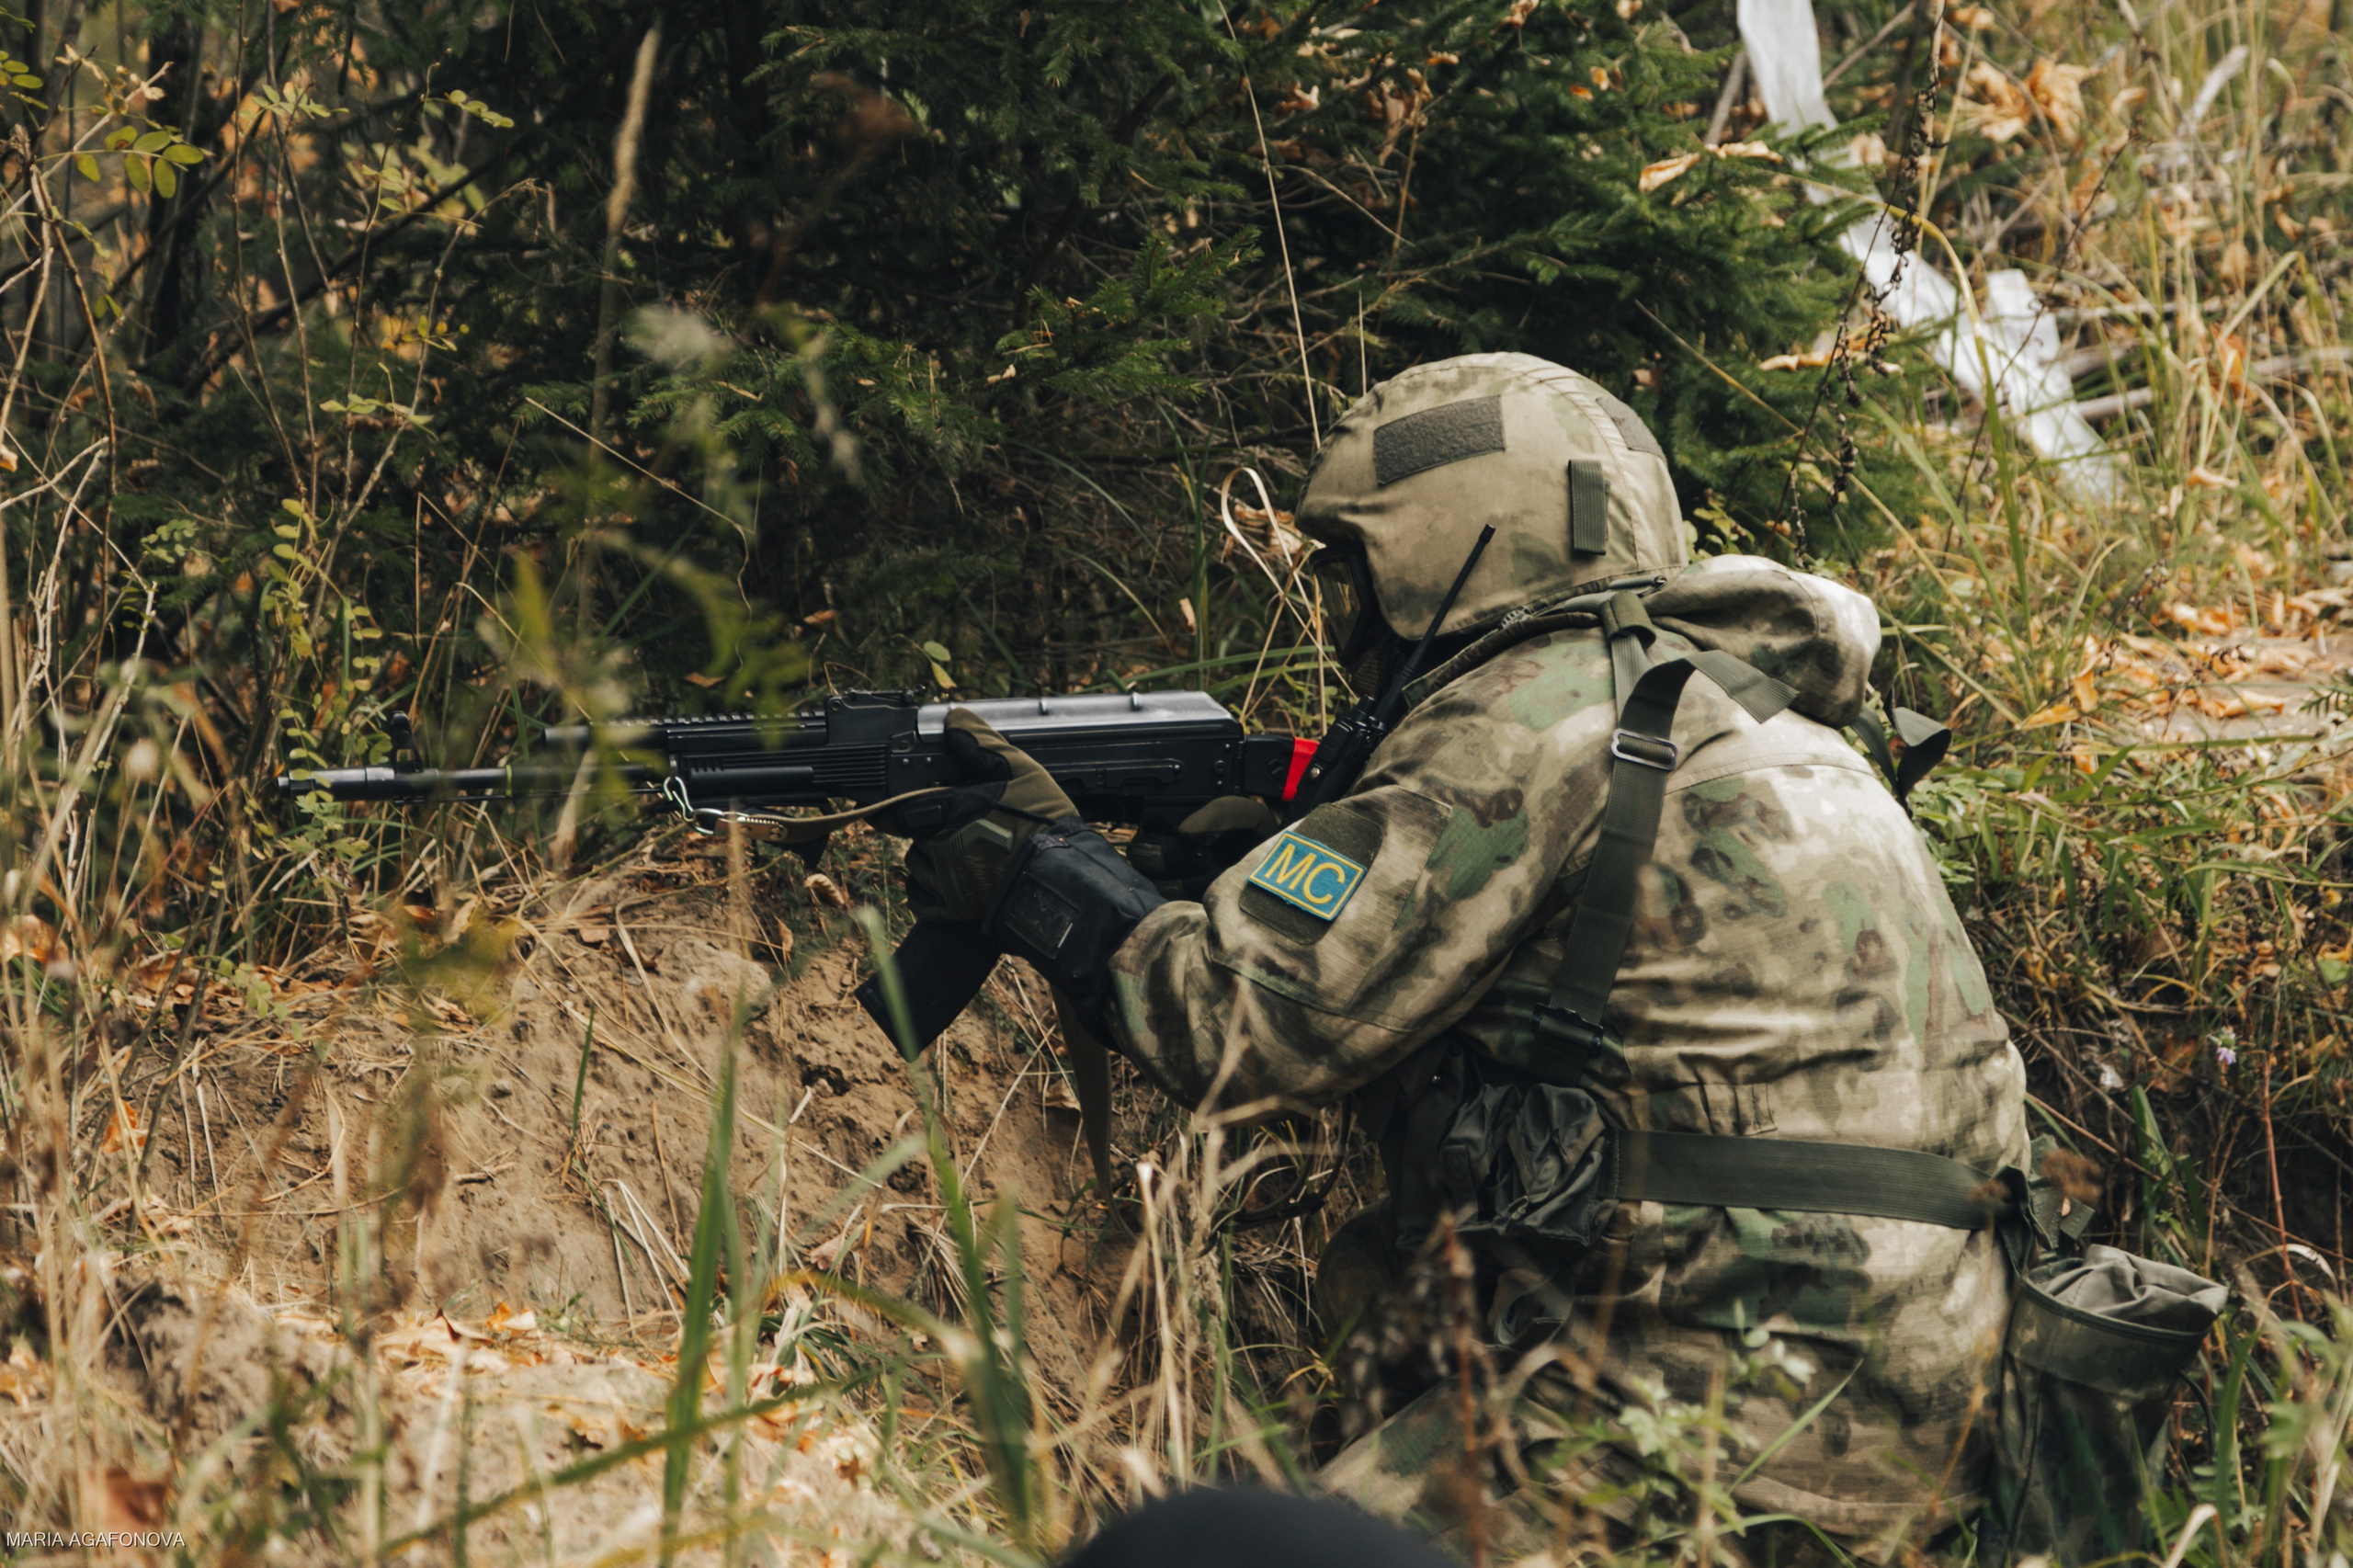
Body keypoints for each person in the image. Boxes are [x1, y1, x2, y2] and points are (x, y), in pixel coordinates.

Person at [876, 353, 2029, 1551]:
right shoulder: (1756, 718)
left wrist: (1039, 870)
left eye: (1353, 584)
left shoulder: (1524, 713)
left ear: (1441, 557)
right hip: (1924, 1438)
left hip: (1707, 1440)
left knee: (1183, 1545)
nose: (1343, 627)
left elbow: (1231, 1025)